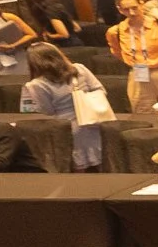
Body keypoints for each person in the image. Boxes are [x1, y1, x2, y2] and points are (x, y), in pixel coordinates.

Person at [19, 43, 105, 171]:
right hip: (95, 122)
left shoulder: (36, 84)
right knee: (103, 166)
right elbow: (100, 90)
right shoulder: (80, 69)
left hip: (68, 129)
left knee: (77, 170)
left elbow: (48, 110)